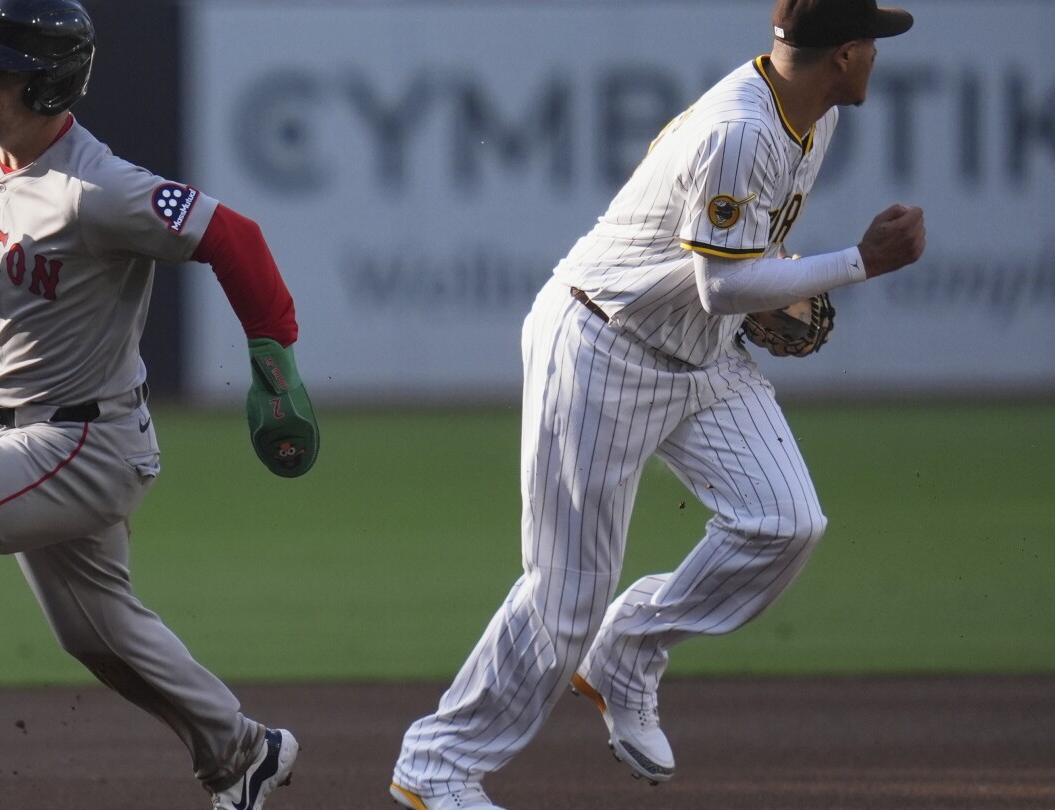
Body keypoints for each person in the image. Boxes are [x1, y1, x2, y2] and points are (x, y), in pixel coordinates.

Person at [389, 0, 925, 807]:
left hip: (699, 357)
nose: (878, 56)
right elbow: (720, 286)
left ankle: (627, 650)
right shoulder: (741, 128)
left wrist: (781, 283)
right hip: (604, 346)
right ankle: (437, 765)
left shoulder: (811, 118)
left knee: (784, 522)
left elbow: (740, 269)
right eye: (872, 43)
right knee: (565, 593)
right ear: (845, 55)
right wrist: (856, 262)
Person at [0, 1, 319, 808]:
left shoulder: (101, 189)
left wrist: (275, 353)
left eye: (4, 70)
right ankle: (241, 753)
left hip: (87, 442)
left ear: (50, 85)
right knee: (98, 634)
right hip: (27, 430)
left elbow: (236, 238)